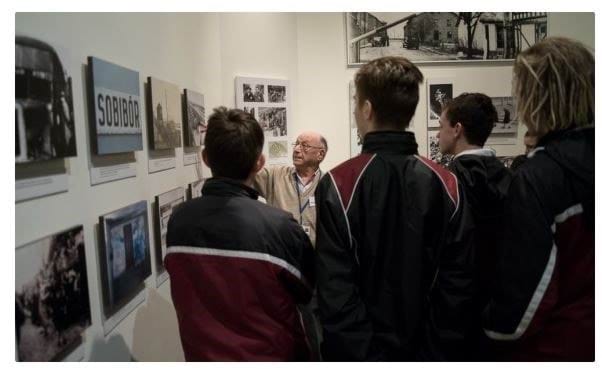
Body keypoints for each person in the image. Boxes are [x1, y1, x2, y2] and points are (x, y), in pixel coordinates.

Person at [315, 56, 475, 361]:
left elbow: (336, 292)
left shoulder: (338, 183)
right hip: (431, 354)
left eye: (355, 103)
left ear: (366, 109)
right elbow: (457, 287)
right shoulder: (447, 183)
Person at [165, 107, 315, 361]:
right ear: (259, 163)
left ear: (205, 158)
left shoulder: (178, 221)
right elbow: (308, 291)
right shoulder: (280, 227)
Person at [482, 37, 594, 361]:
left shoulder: (539, 176)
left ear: (535, 96)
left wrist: (489, 330)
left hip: (556, 346)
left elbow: (523, 301)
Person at [437, 92, 512, 359]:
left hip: (456, 311)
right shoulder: (509, 178)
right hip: (501, 305)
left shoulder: (448, 183)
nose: (437, 134)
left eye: (441, 126)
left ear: (457, 130)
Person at [253, 130, 328, 360]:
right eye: (296, 144)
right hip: (280, 267)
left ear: (320, 154)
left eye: (305, 146)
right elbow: (246, 173)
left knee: (315, 325)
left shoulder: (328, 184)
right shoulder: (276, 175)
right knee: (279, 323)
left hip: (313, 267)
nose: (296, 149)